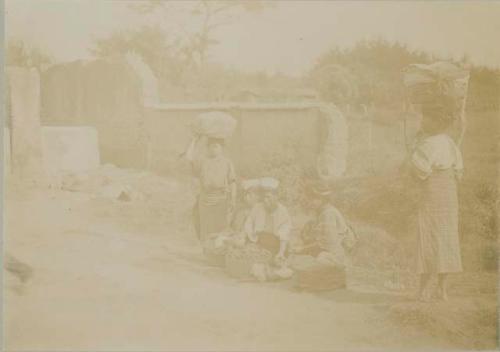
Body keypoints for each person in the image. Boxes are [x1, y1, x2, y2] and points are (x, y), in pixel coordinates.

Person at [410, 102, 463, 301]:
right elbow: (459, 171)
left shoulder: (427, 144)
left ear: (434, 122)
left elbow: (420, 170)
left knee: (428, 236)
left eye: (425, 118)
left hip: (432, 194)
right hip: (449, 195)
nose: (422, 121)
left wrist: (413, 149)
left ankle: (424, 289)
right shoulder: (450, 143)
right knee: (446, 238)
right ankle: (442, 289)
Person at [186, 136, 237, 242]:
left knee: (220, 227)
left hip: (221, 198)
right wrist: (194, 140)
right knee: (205, 225)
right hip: (205, 199)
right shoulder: (203, 162)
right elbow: (190, 159)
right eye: (210, 146)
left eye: (215, 146)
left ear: (221, 148)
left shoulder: (227, 163)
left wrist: (233, 198)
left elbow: (232, 182)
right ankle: (207, 251)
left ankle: (217, 253)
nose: (212, 149)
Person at [294, 182, 351, 267]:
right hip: (327, 252)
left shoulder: (328, 213)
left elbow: (326, 244)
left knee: (309, 263)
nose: (310, 202)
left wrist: (302, 249)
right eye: (310, 198)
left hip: (334, 256)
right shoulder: (322, 212)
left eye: (314, 199)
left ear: (323, 199)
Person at [243, 179, 292, 264]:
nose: (266, 200)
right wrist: (250, 237)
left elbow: (285, 233)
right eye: (264, 197)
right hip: (259, 243)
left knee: (274, 263)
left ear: (276, 197)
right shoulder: (257, 207)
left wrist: (281, 252)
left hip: (276, 245)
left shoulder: (283, 211)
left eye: (268, 197)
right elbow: (249, 223)